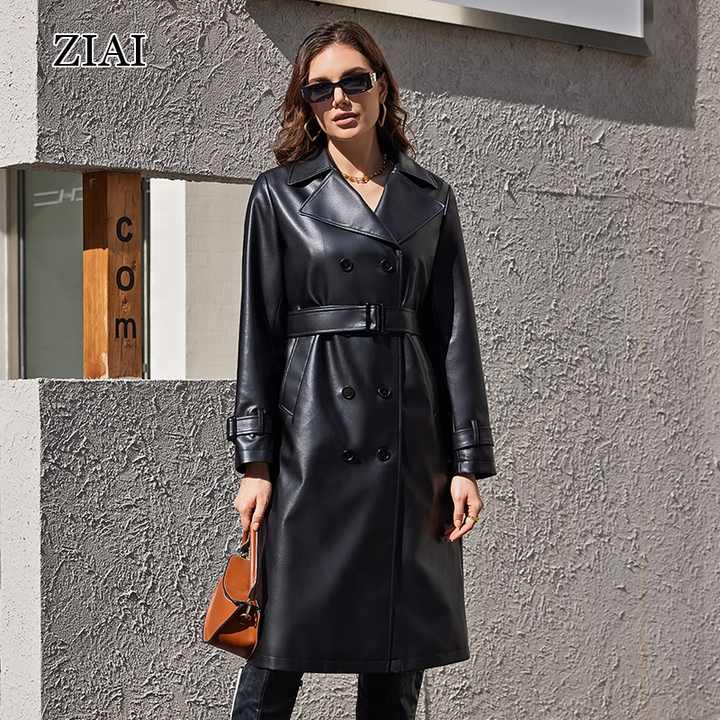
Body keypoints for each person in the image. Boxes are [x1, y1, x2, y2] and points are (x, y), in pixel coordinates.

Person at [226, 19, 497, 720]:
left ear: (382, 88)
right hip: (311, 441)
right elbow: (258, 332)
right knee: (275, 651)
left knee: (396, 660)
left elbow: (453, 334)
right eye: (320, 89)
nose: (339, 98)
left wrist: (465, 462)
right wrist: (255, 462)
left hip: (408, 447)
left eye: (354, 81)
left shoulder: (430, 197)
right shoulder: (279, 194)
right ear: (306, 105)